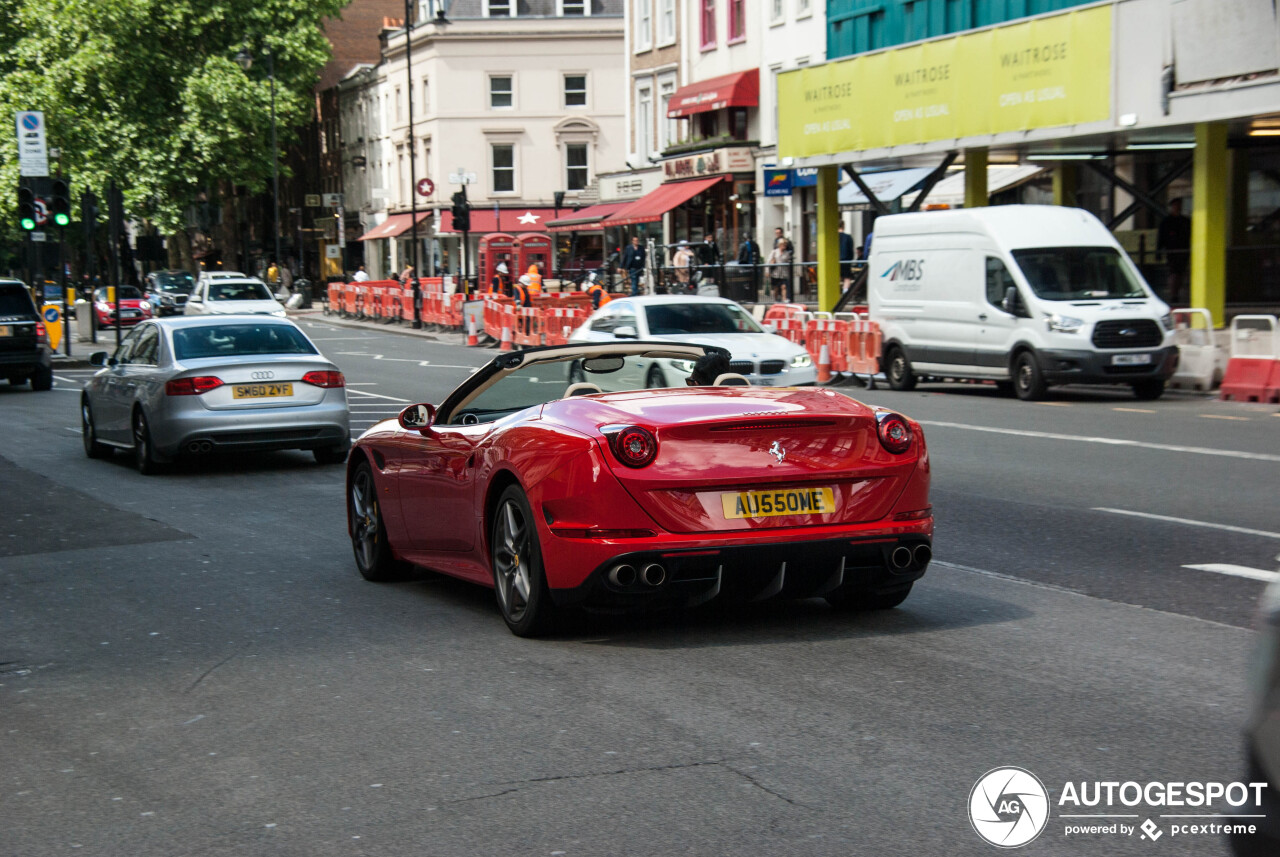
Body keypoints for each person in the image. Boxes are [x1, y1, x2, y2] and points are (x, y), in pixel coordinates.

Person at [1157, 197, 1191, 306]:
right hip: (1172, 251)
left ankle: (1176, 293)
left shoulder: (1185, 221)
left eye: (1179, 205)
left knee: (1180, 273)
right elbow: (1161, 237)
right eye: (1176, 205)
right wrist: (1158, 251)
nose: (1178, 207)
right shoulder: (1167, 222)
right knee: (1174, 273)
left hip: (1183, 250)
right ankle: (1173, 294)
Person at [767, 238, 793, 302]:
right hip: (776, 273)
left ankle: (784, 299)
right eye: (783, 244)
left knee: (784, 286)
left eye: (785, 244)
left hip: (784, 273)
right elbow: (768, 261)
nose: (784, 246)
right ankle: (775, 300)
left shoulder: (787, 253)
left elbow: (788, 262)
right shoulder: (774, 252)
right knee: (776, 288)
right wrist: (767, 271)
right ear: (780, 245)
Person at [838, 222, 856, 291]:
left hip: (834, 261)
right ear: (843, 226)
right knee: (847, 278)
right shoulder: (848, 237)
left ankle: (835, 292)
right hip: (845, 260)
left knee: (836, 277)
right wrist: (850, 259)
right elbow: (850, 250)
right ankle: (845, 292)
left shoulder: (833, 237)